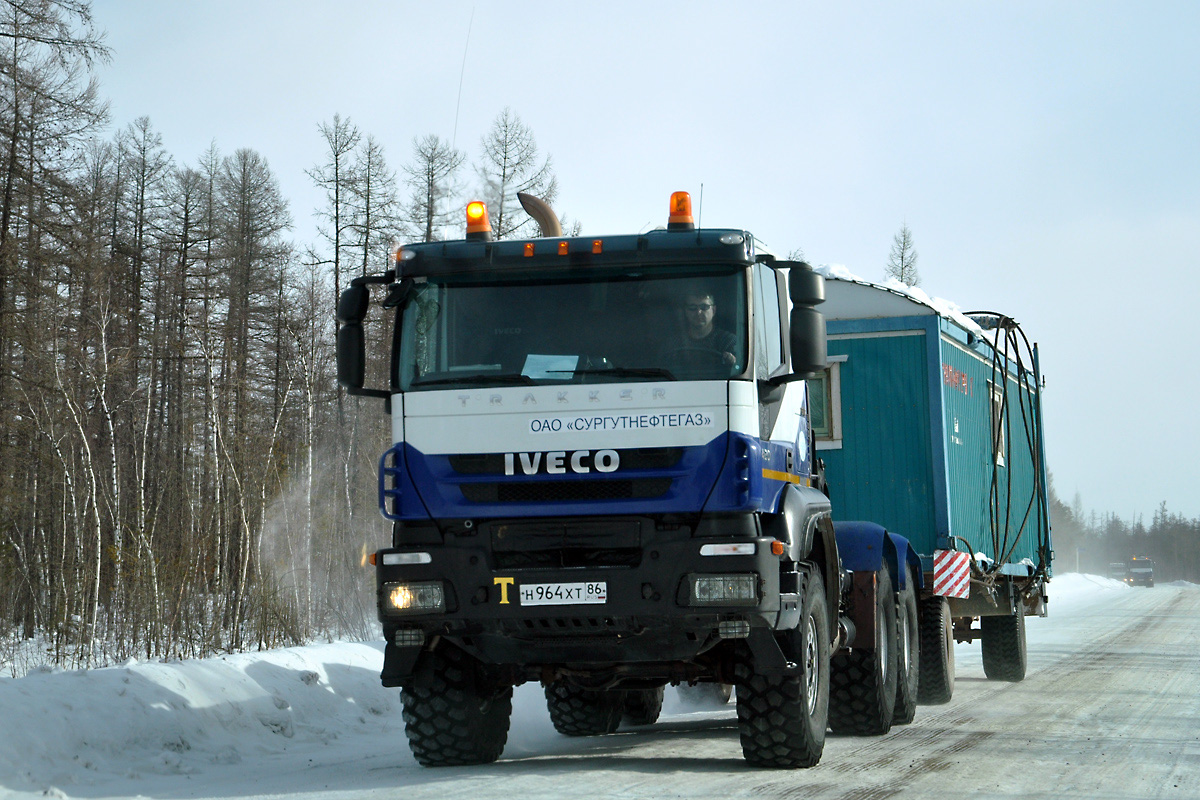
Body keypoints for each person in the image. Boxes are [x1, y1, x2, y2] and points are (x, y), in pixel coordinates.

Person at [677, 291, 738, 368]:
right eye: (692, 308)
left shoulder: (729, 342)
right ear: (685, 311)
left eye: (704, 307)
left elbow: (738, 371)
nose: (698, 312)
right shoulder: (675, 343)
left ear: (713, 310)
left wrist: (733, 362)